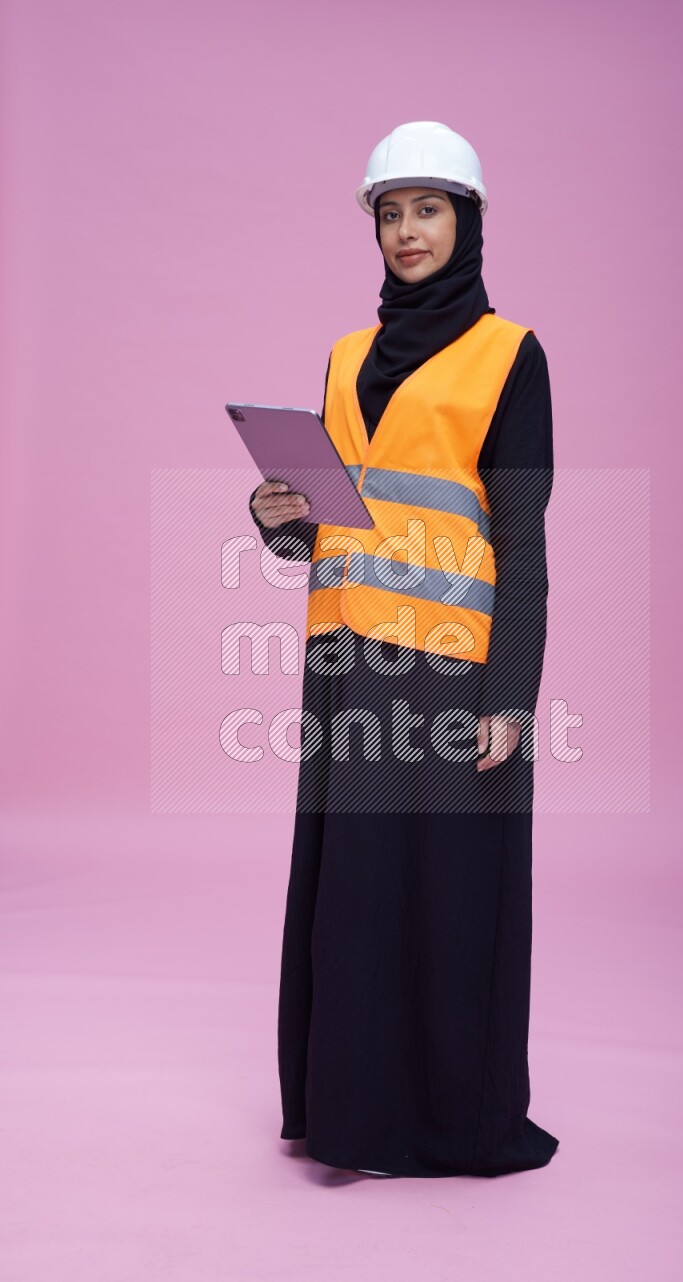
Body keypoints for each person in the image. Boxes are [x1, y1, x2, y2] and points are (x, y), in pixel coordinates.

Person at [249, 121, 559, 1178]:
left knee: (442, 897)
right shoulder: (343, 357)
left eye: (427, 209)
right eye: (390, 212)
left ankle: (442, 1120)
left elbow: (520, 542)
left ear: (465, 221)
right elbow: (326, 526)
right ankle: (350, 1121)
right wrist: (275, 511)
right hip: (346, 668)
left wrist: (509, 698)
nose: (406, 231)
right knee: (356, 897)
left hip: (449, 672)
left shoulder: (508, 354)